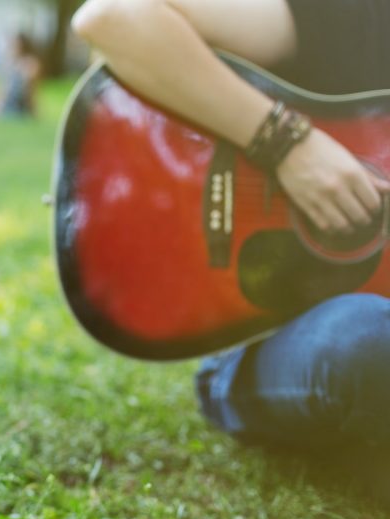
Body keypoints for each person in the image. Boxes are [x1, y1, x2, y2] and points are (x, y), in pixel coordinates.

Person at [72, 1, 390, 452]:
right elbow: (114, 17)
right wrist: (287, 145)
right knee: (369, 344)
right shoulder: (362, 17)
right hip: (286, 343)